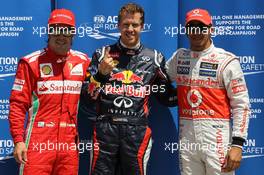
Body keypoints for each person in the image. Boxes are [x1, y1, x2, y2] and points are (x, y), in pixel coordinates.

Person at [81, 3, 177, 175]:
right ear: (118, 25)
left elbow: (165, 96)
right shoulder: (102, 54)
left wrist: (189, 91)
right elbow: (87, 98)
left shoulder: (155, 58)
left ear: (142, 27)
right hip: (105, 129)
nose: (130, 29)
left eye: (135, 25)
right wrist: (101, 75)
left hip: (136, 132)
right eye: (126, 24)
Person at [166, 8, 250, 175]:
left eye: (201, 27)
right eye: (192, 27)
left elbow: (242, 105)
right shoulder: (179, 58)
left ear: (211, 29)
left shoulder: (226, 60)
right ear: (186, 30)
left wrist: (237, 144)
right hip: (187, 137)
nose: (196, 32)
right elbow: (160, 78)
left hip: (217, 137)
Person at [9, 9, 90, 175]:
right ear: (48, 31)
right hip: (38, 142)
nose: (61, 36)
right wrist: (18, 140)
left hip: (68, 143)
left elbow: (95, 92)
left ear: (73, 34)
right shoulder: (30, 63)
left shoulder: (83, 62)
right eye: (56, 29)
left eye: (66, 31)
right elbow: (17, 105)